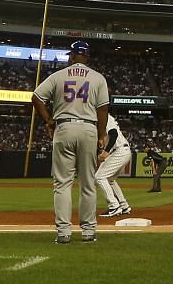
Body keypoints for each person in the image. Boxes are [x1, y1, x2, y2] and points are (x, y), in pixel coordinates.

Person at [30, 39, 111, 245]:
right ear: (87, 57)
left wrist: (49, 120)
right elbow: (103, 109)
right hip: (88, 128)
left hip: (64, 127)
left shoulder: (58, 76)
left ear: (73, 56)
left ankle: (64, 233)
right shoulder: (98, 78)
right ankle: (88, 231)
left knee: (62, 184)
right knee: (87, 183)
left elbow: (36, 97)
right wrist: (102, 135)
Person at [94, 118, 133, 217]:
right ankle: (123, 205)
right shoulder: (105, 119)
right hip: (122, 150)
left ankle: (114, 206)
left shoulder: (105, 117)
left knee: (99, 177)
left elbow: (114, 134)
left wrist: (105, 152)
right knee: (110, 180)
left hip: (119, 151)